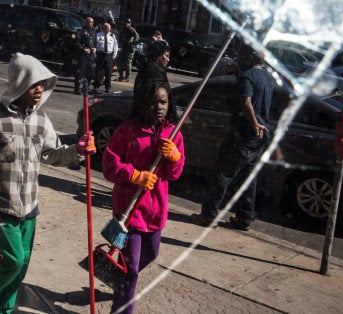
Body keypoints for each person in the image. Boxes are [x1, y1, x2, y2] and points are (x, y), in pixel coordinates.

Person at [0, 52, 96, 313]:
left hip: (30, 207)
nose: (40, 89)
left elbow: (53, 155)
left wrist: (77, 149)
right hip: (1, 205)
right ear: (19, 83)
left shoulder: (42, 120)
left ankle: (4, 309)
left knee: (23, 264)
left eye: (43, 83)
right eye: (34, 83)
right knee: (12, 260)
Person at [102, 80, 185, 314]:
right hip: (129, 210)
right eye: (154, 102)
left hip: (155, 211)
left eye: (163, 102)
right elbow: (109, 165)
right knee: (131, 271)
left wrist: (175, 158)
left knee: (151, 255)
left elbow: (174, 174)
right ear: (143, 104)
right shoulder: (127, 131)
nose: (159, 107)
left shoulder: (173, 133)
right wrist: (134, 175)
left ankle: (119, 283)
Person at [191, 46, 275, 230]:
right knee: (248, 177)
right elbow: (258, 97)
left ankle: (209, 215)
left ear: (250, 57)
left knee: (223, 174)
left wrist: (252, 123)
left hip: (243, 134)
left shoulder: (248, 77)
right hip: (260, 135)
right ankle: (245, 217)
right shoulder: (267, 77)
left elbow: (246, 102)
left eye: (241, 56)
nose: (238, 59)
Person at [133, 39, 170, 112]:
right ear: (158, 56)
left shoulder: (149, 68)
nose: (168, 59)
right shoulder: (154, 73)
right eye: (166, 56)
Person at [73, 16, 96, 95]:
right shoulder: (81, 31)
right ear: (86, 22)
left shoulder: (93, 32)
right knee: (80, 72)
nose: (92, 23)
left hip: (91, 56)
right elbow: (76, 43)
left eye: (92, 22)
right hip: (83, 55)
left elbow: (94, 42)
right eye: (90, 22)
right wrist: (83, 49)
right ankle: (77, 89)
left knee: (90, 72)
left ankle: (85, 88)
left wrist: (95, 48)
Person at [94, 22, 118, 93]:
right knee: (98, 73)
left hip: (108, 56)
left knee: (108, 73)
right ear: (104, 28)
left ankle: (107, 88)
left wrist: (114, 55)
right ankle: (96, 87)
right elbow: (94, 45)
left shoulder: (112, 35)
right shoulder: (98, 35)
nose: (109, 29)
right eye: (108, 28)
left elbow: (115, 46)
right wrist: (95, 55)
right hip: (100, 55)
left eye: (109, 28)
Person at [116, 17, 139, 82]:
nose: (126, 24)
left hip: (130, 49)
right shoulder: (123, 29)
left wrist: (132, 43)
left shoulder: (131, 29)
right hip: (124, 47)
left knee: (128, 63)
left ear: (130, 23)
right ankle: (121, 76)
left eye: (128, 23)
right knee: (119, 62)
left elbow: (137, 37)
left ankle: (127, 78)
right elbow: (119, 37)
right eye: (126, 22)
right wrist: (120, 42)